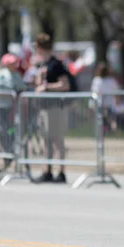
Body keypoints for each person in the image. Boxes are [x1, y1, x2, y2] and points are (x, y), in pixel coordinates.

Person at [33, 33, 72, 184]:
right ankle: (47, 170)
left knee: (57, 140)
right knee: (46, 140)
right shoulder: (43, 64)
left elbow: (65, 84)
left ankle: (61, 172)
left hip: (55, 107)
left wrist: (47, 87)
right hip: (44, 108)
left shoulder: (56, 64)